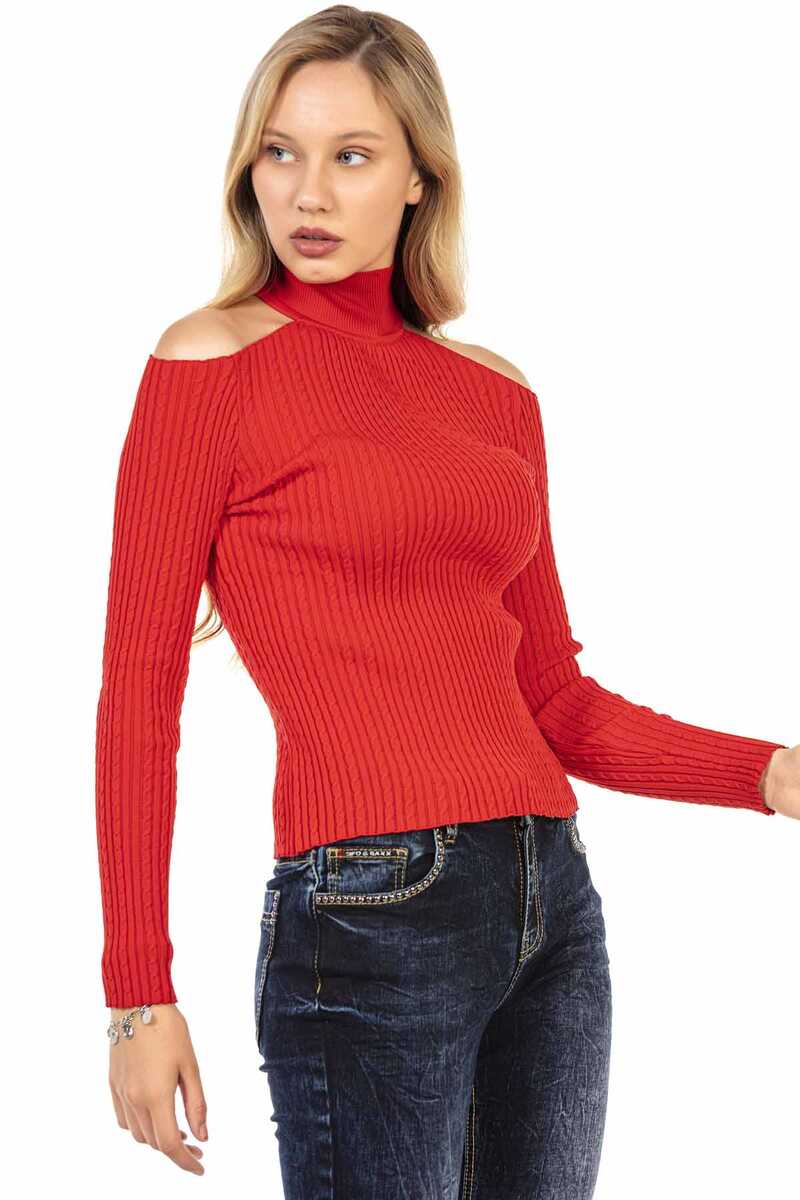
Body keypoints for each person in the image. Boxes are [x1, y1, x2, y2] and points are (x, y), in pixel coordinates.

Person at [95, 6, 797, 1197]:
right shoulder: (208, 364)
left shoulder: (493, 395)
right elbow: (137, 694)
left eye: (351, 155)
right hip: (368, 906)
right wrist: (135, 994)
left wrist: (769, 774)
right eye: (279, 152)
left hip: (549, 903)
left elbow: (556, 703)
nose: (308, 191)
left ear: (419, 176)